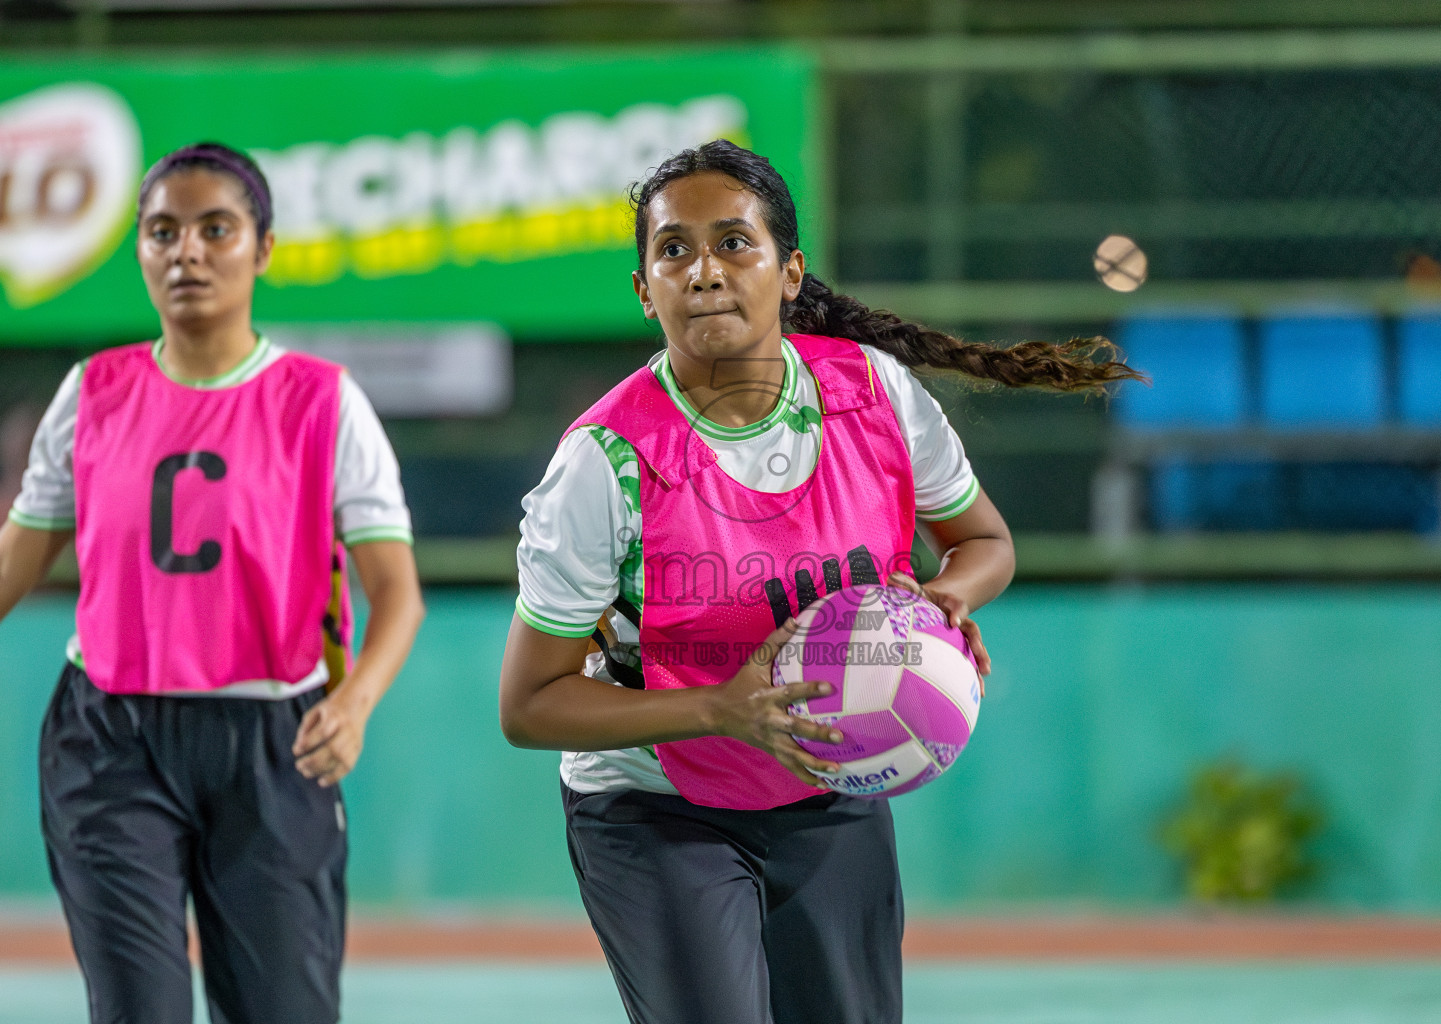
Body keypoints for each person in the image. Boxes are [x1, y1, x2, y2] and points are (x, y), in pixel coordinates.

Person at [498, 139, 1141, 1024]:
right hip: (656, 801)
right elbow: (530, 704)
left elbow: (984, 541)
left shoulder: (876, 396)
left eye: (734, 242)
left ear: (790, 271)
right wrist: (719, 707)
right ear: (645, 290)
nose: (704, 270)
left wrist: (948, 599)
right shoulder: (605, 463)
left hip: (828, 783)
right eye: (673, 250)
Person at [0, 142, 424, 1024]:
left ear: (262, 249)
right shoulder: (92, 393)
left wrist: (356, 703)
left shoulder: (324, 402)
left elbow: (398, 593)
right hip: (108, 740)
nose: (185, 252)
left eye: (214, 229)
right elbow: (17, 561)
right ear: (141, 252)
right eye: (162, 232)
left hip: (274, 740)